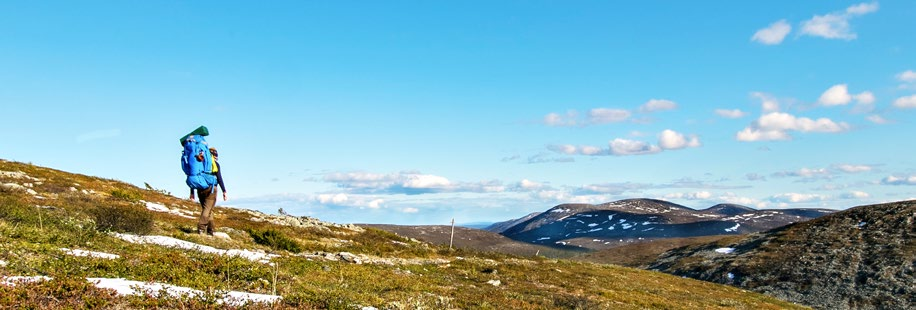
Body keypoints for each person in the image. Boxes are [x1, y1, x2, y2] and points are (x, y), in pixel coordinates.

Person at [188, 147, 227, 235]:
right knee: (207, 209)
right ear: (214, 155)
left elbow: (194, 176)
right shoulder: (215, 164)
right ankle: (201, 228)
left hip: (200, 188)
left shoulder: (199, 163)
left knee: (209, 209)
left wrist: (192, 192)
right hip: (211, 188)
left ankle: (211, 230)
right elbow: (219, 178)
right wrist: (224, 191)